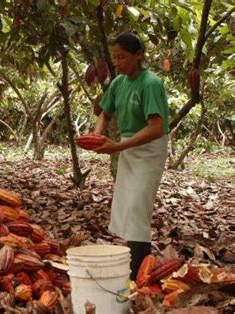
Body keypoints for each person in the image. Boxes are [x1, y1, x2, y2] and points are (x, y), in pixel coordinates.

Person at [93, 31, 169, 280]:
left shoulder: (151, 83)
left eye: (122, 57)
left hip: (148, 149)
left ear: (139, 55)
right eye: (115, 58)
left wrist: (116, 147)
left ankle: (138, 269)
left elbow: (156, 127)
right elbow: (104, 112)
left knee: (138, 205)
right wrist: (96, 136)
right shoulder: (118, 83)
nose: (117, 62)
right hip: (128, 146)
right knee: (127, 204)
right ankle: (136, 262)